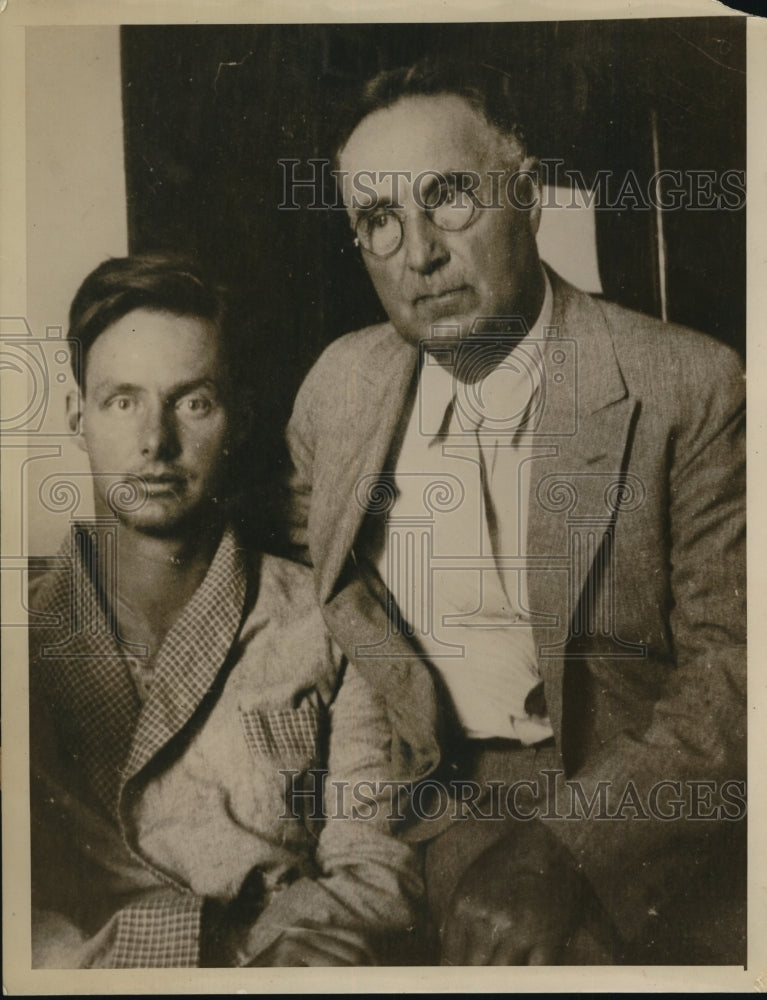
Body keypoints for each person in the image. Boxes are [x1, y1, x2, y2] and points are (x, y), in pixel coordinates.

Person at [283, 60, 746, 964]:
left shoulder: (690, 384)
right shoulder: (337, 390)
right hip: (428, 808)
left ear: (527, 197)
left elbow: (737, 673)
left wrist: (568, 847)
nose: (418, 254)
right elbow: (323, 612)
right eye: (378, 220)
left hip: (639, 811)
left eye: (448, 198)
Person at [28, 253, 422, 968]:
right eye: (123, 402)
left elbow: (376, 876)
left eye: (193, 402)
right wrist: (222, 949)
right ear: (76, 417)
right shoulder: (18, 641)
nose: (157, 441)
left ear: (235, 418)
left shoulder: (327, 624)